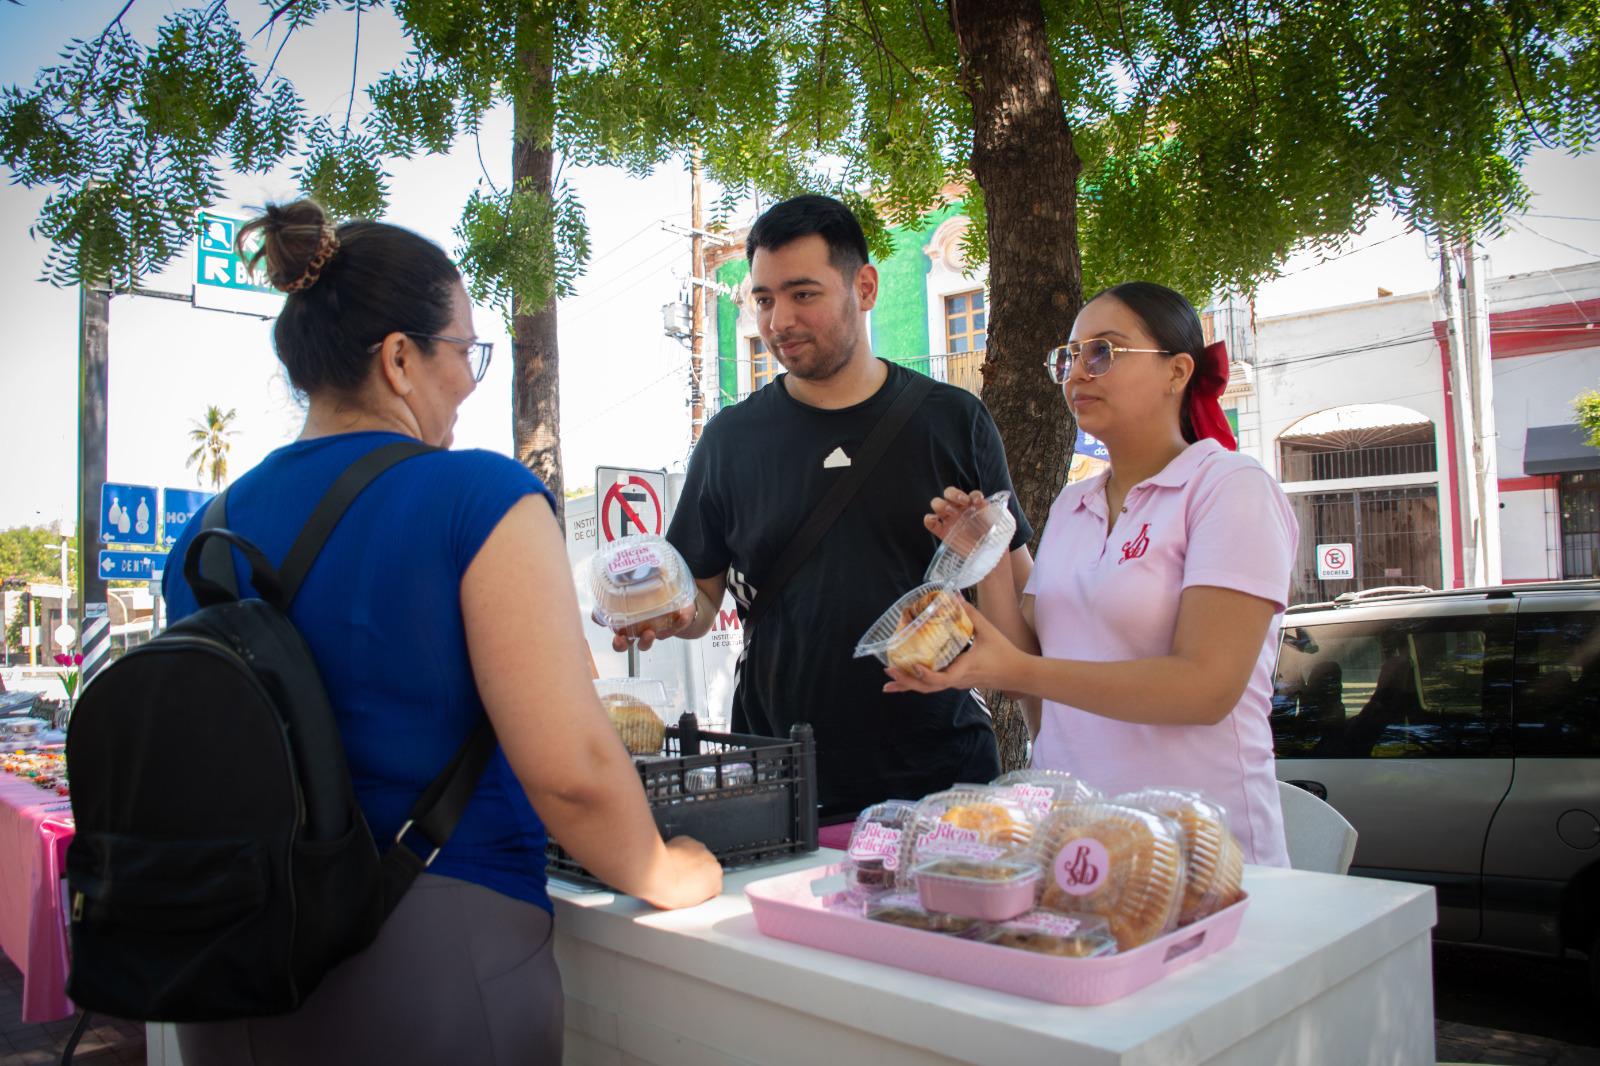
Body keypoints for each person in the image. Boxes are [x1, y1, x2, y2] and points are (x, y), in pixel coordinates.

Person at [162, 201, 721, 1065]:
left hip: (233, 972)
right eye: (464, 350)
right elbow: (570, 769)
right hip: (429, 959)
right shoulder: (478, 499)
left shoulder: (206, 531)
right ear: (398, 359)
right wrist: (664, 868)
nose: (470, 378)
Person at [615, 194, 1033, 824]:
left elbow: (1020, 614)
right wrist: (663, 615)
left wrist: (984, 548)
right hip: (780, 777)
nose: (779, 318)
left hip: (940, 780)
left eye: (802, 293)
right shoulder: (731, 439)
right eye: (763, 299)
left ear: (863, 287)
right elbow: (699, 606)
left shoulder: (952, 420)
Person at [888, 281, 1296, 866]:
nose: (1077, 372)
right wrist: (989, 554)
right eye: (1069, 356)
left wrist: (1020, 665)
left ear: (1177, 371)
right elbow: (1024, 667)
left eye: (1103, 352)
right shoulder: (1073, 502)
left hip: (1201, 847)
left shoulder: (1228, 488)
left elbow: (1206, 688)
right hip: (1077, 844)